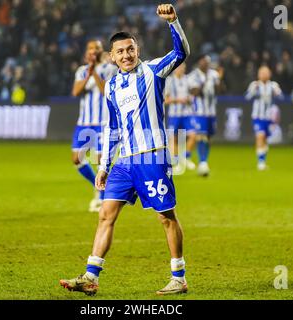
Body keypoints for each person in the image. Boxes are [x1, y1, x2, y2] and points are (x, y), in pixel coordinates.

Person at [60, 4, 190, 296]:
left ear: (137, 49)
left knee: (166, 216)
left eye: (130, 49)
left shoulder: (154, 70)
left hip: (152, 156)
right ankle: (91, 276)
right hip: (124, 162)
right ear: (112, 57)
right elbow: (113, 128)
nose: (126, 55)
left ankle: (179, 277)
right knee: (106, 214)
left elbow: (181, 53)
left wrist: (174, 22)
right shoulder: (111, 86)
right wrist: (105, 166)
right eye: (120, 52)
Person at [71, 39, 117, 212]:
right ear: (86, 52)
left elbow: (106, 91)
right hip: (83, 123)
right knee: (77, 159)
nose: (93, 50)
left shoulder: (110, 69)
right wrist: (89, 72)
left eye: (96, 48)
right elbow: (76, 92)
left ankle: (104, 198)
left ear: (101, 51)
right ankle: (98, 186)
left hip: (103, 123)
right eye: (90, 48)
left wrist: (95, 73)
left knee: (101, 161)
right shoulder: (82, 71)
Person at [188, 55, 221, 176]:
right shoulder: (193, 76)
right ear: (199, 62)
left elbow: (219, 91)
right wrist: (204, 82)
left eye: (208, 61)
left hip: (211, 111)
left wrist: (219, 80)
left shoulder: (214, 74)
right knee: (201, 135)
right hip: (199, 112)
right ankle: (202, 162)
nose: (206, 63)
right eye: (204, 61)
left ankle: (204, 160)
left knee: (208, 136)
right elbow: (194, 92)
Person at [245, 66, 283, 170]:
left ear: (269, 74)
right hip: (258, 116)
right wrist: (254, 91)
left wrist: (276, 94)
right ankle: (260, 162)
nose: (264, 75)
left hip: (269, 117)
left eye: (266, 73)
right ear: (258, 74)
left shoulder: (273, 86)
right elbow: (247, 97)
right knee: (260, 136)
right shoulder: (254, 85)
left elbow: (281, 97)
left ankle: (263, 159)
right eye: (262, 73)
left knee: (265, 139)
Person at [164, 62, 196, 174]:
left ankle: (186, 157)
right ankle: (176, 163)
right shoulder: (169, 81)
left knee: (193, 136)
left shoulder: (188, 80)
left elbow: (193, 94)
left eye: (184, 67)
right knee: (174, 139)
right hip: (174, 115)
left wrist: (190, 98)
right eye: (180, 67)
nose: (182, 69)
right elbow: (166, 100)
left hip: (187, 114)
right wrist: (178, 100)